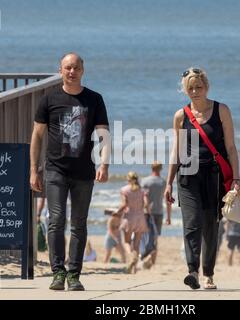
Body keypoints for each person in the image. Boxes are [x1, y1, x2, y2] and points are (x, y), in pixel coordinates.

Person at [30, 52, 110, 291]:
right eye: (67, 68)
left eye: (75, 68)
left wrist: (104, 164)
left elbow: (103, 133)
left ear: (82, 70)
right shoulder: (49, 99)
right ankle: (58, 272)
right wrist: (34, 170)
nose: (71, 72)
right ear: (60, 70)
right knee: (55, 220)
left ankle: (74, 274)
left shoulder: (94, 99)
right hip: (55, 170)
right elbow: (37, 135)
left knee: (78, 223)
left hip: (84, 171)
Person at [164, 67, 240, 290]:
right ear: (185, 90)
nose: (195, 91)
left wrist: (235, 178)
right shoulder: (180, 116)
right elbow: (176, 151)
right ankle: (192, 271)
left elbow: (231, 147)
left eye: (199, 86)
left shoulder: (221, 111)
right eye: (190, 88)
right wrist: (168, 182)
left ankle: (208, 273)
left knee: (210, 225)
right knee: (192, 223)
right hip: (188, 177)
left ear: (206, 87)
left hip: (214, 177)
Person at [115, 172, 150, 274]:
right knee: (137, 244)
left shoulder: (124, 190)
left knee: (126, 242)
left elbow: (124, 204)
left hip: (129, 217)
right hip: (140, 218)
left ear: (128, 179)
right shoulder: (143, 190)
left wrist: (117, 211)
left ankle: (131, 256)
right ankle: (134, 268)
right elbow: (146, 204)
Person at [141, 161, 172, 265]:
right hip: (159, 212)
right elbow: (167, 201)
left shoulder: (145, 181)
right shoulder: (163, 182)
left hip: (146, 212)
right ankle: (152, 262)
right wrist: (168, 217)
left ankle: (146, 257)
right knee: (155, 238)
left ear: (151, 168)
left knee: (145, 236)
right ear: (161, 169)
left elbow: (142, 198)